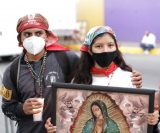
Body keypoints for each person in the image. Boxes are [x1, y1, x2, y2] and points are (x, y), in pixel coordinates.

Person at [0, 14, 142, 133]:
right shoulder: (12, 70)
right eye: (27, 34)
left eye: (38, 33)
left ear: (47, 36)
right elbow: (7, 107)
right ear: (20, 39)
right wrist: (22, 109)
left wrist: (131, 77)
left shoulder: (65, 58)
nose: (33, 38)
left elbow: (95, 70)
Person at [45, 26, 159, 133]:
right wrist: (56, 124)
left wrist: (150, 117)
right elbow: (68, 120)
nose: (106, 50)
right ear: (90, 50)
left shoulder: (129, 79)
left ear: (116, 47)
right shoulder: (78, 81)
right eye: (99, 46)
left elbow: (137, 118)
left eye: (110, 45)